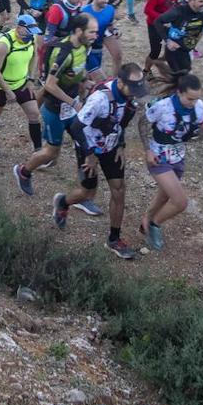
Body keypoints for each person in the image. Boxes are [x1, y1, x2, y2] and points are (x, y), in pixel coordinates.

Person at [52, 61, 149, 260]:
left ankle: (114, 239)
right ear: (120, 82)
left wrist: (121, 144)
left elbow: (122, 122)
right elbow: (77, 127)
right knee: (86, 192)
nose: (135, 92)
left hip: (111, 146)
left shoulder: (130, 99)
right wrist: (90, 154)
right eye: (132, 87)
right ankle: (63, 202)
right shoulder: (99, 99)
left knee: (119, 189)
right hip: (89, 146)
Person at [12, 14, 97, 197]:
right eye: (92, 32)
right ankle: (24, 171)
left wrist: (85, 82)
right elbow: (50, 85)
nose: (95, 35)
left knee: (85, 145)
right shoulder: (63, 52)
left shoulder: (84, 45)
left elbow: (78, 69)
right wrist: (74, 103)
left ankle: (83, 193)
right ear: (79, 31)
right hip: (55, 110)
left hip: (71, 108)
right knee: (51, 152)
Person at [139, 73, 203, 251]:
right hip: (159, 157)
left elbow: (201, 128)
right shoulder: (162, 106)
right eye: (190, 98)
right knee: (180, 202)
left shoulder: (198, 106)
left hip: (178, 157)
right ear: (179, 92)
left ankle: (146, 218)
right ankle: (155, 224)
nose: (193, 102)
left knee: (164, 195)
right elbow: (142, 124)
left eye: (196, 98)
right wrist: (148, 150)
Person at [0, 15, 44, 160]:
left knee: (34, 114)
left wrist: (31, 79)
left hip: (22, 83)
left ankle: (38, 151)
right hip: (1, 85)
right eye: (29, 31)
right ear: (19, 27)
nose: (31, 35)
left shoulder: (32, 39)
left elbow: (34, 57)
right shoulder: (4, 43)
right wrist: (8, 91)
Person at [151, 0, 203, 89]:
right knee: (183, 79)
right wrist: (167, 40)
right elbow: (158, 21)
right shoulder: (178, 11)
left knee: (178, 81)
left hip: (187, 48)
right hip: (175, 51)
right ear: (191, 0)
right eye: (201, 1)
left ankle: (168, 92)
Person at [143, 0, 182, 79]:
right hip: (154, 24)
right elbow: (147, 10)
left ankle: (169, 69)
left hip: (170, 23)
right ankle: (146, 70)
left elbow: (175, 2)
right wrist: (163, 19)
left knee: (173, 48)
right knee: (155, 51)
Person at [82, 0, 121, 79]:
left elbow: (110, 25)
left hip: (103, 34)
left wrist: (115, 30)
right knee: (95, 75)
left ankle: (115, 81)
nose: (106, 1)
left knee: (118, 55)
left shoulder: (110, 9)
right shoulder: (84, 12)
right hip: (88, 44)